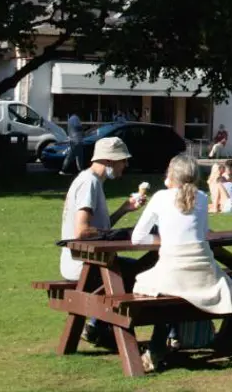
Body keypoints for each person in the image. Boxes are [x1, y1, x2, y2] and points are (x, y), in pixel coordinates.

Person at [132, 155, 232, 373]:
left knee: (141, 281)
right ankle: (166, 341)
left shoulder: (160, 197)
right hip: (204, 275)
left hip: (175, 273)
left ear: (171, 174)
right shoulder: (203, 197)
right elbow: (203, 234)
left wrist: (162, 240)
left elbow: (137, 238)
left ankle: (156, 345)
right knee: (174, 289)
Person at [59, 136, 145, 348]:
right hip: (84, 264)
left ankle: (99, 327)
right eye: (122, 160)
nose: (125, 165)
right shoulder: (89, 183)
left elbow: (98, 229)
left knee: (136, 271)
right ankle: (121, 339)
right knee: (143, 274)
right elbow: (82, 231)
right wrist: (119, 235)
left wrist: (124, 210)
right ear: (108, 160)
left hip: (89, 261)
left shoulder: (93, 182)